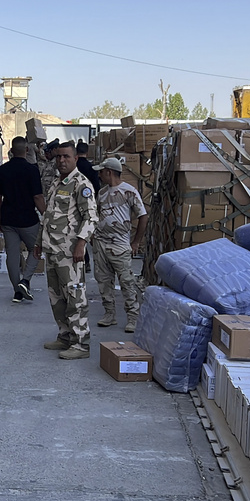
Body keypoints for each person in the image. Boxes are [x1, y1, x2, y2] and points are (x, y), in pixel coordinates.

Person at [33, 141, 98, 360]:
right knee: (56, 297)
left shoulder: (81, 184)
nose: (61, 160)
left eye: (66, 157)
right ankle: (65, 335)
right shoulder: (56, 183)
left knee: (75, 296)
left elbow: (91, 217)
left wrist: (81, 243)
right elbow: (48, 215)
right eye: (59, 156)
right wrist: (38, 242)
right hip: (52, 250)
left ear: (75, 158)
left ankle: (81, 343)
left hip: (70, 252)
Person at [92, 157, 148, 333]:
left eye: (101, 172)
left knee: (126, 281)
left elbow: (143, 216)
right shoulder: (101, 193)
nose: (99, 175)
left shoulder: (129, 192)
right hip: (101, 243)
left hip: (120, 244)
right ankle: (109, 314)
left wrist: (136, 241)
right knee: (103, 280)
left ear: (109, 172)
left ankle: (133, 316)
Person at [0, 136, 46, 303]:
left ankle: (17, 291)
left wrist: (1, 218)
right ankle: (25, 280)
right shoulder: (32, 170)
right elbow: (37, 196)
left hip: (9, 219)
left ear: (11, 151)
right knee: (36, 249)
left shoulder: (1, 171)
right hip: (29, 219)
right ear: (27, 150)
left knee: (12, 256)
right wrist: (47, 215)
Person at [74, 141, 101, 272]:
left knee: (76, 232)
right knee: (87, 231)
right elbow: (97, 187)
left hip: (74, 204)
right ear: (87, 152)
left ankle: (81, 260)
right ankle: (88, 261)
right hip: (89, 203)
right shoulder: (91, 168)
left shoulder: (73, 167)